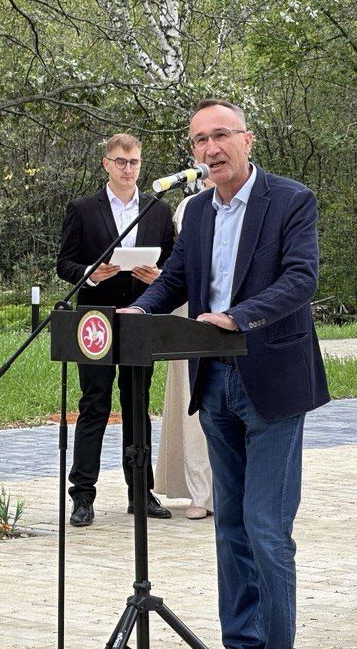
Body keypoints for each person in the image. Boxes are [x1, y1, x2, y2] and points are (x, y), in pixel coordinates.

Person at [123, 100, 327, 649]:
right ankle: (241, 641)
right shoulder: (197, 211)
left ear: (247, 140)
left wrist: (238, 317)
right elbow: (177, 279)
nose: (210, 150)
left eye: (221, 137)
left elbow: (300, 280)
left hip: (273, 383)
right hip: (212, 384)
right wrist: (140, 310)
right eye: (199, 141)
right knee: (229, 528)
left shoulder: (290, 199)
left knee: (265, 531)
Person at [56, 133, 175, 528]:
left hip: (141, 317)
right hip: (96, 319)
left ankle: (140, 492)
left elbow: (176, 267)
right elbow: (66, 263)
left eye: (135, 162)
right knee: (94, 404)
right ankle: (82, 496)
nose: (128, 169)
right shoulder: (84, 208)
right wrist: (90, 274)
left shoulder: (158, 211)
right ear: (106, 164)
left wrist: (157, 276)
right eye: (121, 161)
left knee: (137, 403)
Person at [153, 181, 215, 520]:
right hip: (188, 309)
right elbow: (178, 266)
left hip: (232, 313)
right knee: (192, 403)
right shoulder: (189, 207)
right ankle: (201, 492)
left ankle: (233, 490)